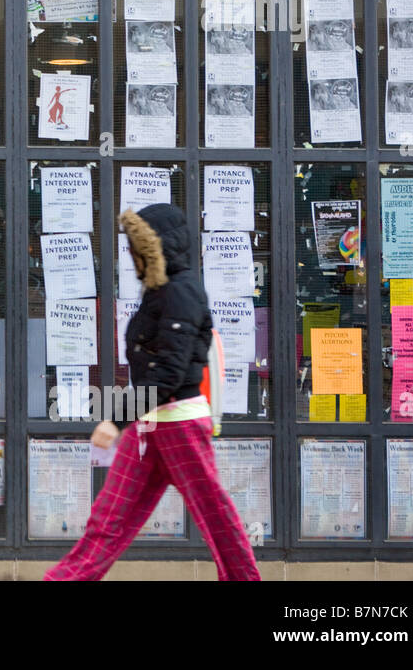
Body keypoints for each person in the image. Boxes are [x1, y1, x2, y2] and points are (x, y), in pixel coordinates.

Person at [45, 203, 261, 581]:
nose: (130, 257)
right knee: (107, 521)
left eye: (135, 248)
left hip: (179, 424)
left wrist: (115, 420)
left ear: (155, 249)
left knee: (216, 520)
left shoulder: (182, 292)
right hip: (150, 425)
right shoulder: (159, 292)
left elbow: (168, 375)